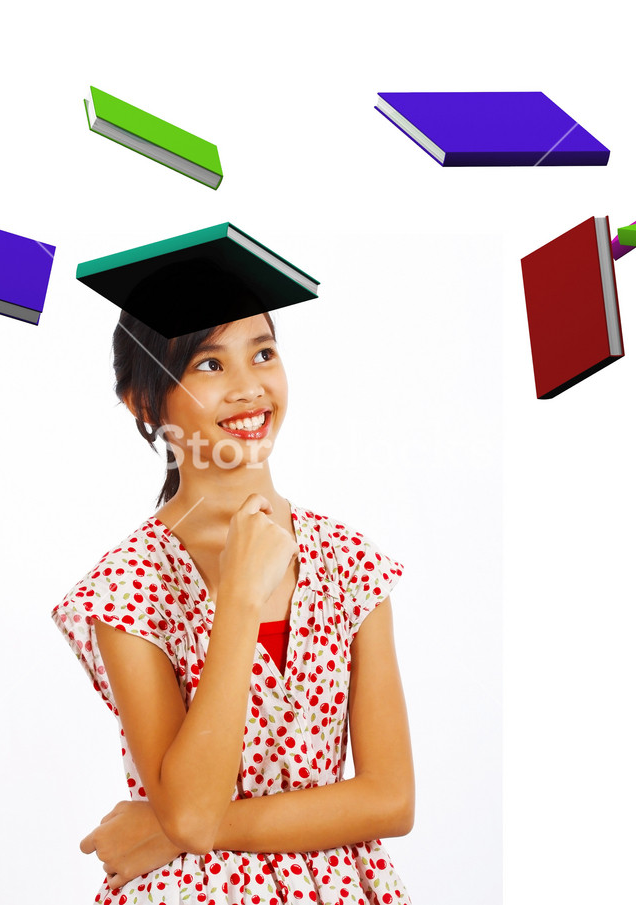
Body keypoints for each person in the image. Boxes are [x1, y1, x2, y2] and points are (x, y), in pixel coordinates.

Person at [52, 263, 414, 905]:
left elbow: (391, 798)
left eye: (264, 353)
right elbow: (190, 809)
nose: (249, 388)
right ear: (144, 402)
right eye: (209, 366)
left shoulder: (350, 561)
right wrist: (240, 597)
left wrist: (178, 832)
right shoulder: (125, 589)